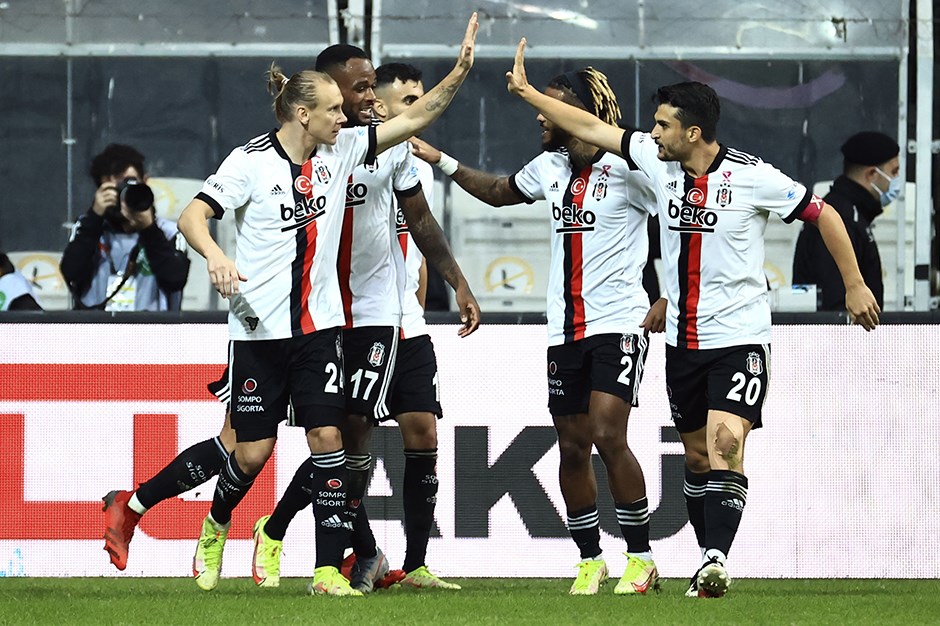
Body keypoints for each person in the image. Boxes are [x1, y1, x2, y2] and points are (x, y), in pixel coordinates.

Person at [504, 39, 880, 598]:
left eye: (662, 126)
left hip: (740, 337)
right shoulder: (656, 166)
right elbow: (589, 126)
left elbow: (822, 214)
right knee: (698, 455)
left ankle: (714, 559)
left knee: (726, 443)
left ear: (693, 132)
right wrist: (527, 93)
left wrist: (854, 283)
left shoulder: (753, 176)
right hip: (682, 340)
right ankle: (707, 560)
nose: (652, 134)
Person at [176, 13, 478, 597]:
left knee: (334, 442)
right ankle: (215, 523)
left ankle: (326, 568)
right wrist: (214, 254)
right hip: (265, 327)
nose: (354, 109)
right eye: (344, 99)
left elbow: (417, 125)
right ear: (306, 109)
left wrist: (461, 70)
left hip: (330, 325)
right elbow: (193, 215)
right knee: (251, 451)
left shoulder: (348, 150)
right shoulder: (253, 161)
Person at [410, 66, 660, 596]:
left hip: (619, 323)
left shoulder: (630, 168)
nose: (540, 117)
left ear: (579, 113)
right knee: (571, 446)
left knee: (608, 434)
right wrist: (442, 160)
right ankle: (590, 559)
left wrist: (669, 295)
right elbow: (500, 191)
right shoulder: (551, 166)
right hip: (563, 331)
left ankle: (641, 557)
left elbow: (681, 220)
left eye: (549, 107)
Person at [249, 54, 478, 594]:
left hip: (394, 315)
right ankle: (300, 538)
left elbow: (419, 220)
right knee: (349, 442)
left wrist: (457, 281)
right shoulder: (308, 150)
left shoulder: (387, 146)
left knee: (420, 429)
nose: (372, 98)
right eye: (363, 88)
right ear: (329, 93)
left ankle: (410, 564)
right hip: (334, 318)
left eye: (376, 87)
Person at [101, 369, 235, 572]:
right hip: (265, 354)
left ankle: (134, 504)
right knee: (239, 443)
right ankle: (134, 504)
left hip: (289, 354)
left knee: (250, 447)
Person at [60, 144, 190, 311]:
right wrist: (94, 218)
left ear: (145, 181)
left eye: (130, 183)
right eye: (115, 188)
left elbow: (175, 280)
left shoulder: (169, 232)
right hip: (95, 326)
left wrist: (149, 229)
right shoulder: (87, 228)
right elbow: (71, 274)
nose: (123, 194)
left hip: (152, 326)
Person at [793, 131, 898, 310]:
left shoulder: (854, 214)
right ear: (872, 174)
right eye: (894, 172)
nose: (897, 180)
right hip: (836, 327)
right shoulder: (839, 217)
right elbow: (836, 302)